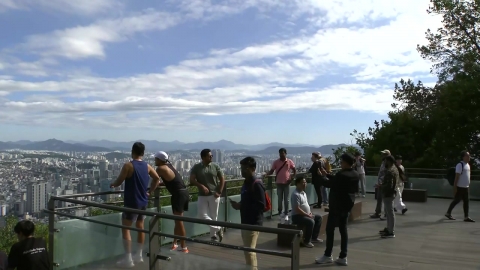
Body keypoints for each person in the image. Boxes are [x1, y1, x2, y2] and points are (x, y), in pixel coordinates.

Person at [110, 142, 160, 268]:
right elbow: (157, 178)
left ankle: (128, 258)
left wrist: (113, 184)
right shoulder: (147, 166)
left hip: (132, 202)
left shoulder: (128, 165)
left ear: (132, 151)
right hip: (143, 202)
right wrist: (150, 191)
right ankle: (139, 255)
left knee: (126, 229)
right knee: (140, 227)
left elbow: (119, 180)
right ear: (142, 153)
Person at [315, 153, 359, 266]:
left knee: (330, 230)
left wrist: (321, 176)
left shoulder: (341, 174)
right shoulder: (355, 174)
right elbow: (338, 182)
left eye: (341, 161)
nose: (340, 163)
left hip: (336, 206)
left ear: (345, 162)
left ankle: (328, 255)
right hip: (347, 205)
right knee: (343, 230)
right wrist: (328, 174)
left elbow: (329, 184)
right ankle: (343, 256)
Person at [230, 157, 266, 270]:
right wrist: (239, 205)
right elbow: (247, 200)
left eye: (245, 168)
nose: (242, 170)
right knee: (248, 251)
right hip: (245, 221)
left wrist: (242, 206)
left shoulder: (256, 184)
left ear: (253, 169)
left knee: (250, 251)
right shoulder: (246, 183)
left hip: (253, 222)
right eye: (241, 168)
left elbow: (261, 205)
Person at [153, 151, 190, 253]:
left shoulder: (160, 168)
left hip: (178, 195)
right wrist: (161, 184)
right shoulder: (169, 166)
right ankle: (175, 243)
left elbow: (154, 181)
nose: (154, 160)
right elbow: (171, 180)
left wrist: (150, 190)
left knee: (179, 222)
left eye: (156, 159)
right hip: (183, 192)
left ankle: (184, 247)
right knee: (177, 221)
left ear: (160, 160)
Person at [190, 149, 226, 242]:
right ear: (203, 157)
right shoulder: (197, 167)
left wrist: (220, 191)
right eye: (209, 156)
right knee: (201, 215)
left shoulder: (215, 166)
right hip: (202, 195)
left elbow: (222, 179)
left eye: (212, 156)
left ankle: (213, 236)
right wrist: (201, 186)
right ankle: (218, 228)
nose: (211, 157)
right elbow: (192, 180)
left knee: (214, 216)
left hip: (214, 195)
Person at [265, 148, 296, 224]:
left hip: (287, 183)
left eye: (283, 153)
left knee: (286, 199)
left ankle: (286, 213)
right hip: (279, 183)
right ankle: (280, 212)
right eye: (280, 153)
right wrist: (266, 174)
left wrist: (291, 178)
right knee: (279, 199)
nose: (281, 155)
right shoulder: (276, 162)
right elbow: (272, 171)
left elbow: (294, 170)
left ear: (285, 153)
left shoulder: (289, 161)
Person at [291, 176, 323, 248]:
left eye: (305, 182)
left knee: (318, 218)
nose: (304, 184)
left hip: (305, 215)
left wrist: (310, 213)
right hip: (297, 216)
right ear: (297, 184)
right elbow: (297, 209)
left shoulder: (303, 193)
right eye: (302, 182)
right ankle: (306, 241)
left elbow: (306, 205)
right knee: (310, 221)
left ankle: (314, 238)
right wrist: (307, 215)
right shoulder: (295, 194)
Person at [445, 151, 475, 222]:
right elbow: (457, 177)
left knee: (466, 201)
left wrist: (468, 185)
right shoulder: (460, 165)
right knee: (457, 200)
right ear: (463, 157)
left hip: (466, 187)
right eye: (467, 156)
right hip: (460, 187)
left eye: (469, 156)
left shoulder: (468, 165)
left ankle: (466, 217)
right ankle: (448, 213)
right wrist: (455, 187)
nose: (469, 157)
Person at [378, 155, 403, 238]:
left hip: (388, 194)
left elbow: (389, 185)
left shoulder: (390, 171)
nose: (384, 162)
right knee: (389, 212)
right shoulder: (394, 169)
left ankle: (391, 231)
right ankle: (389, 228)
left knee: (390, 212)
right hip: (391, 193)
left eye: (385, 161)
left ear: (388, 161)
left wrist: (380, 186)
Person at [370, 149, 391, 219]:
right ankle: (377, 212)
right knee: (379, 198)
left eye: (384, 154)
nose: (382, 155)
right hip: (380, 183)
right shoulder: (383, 162)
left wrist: (382, 182)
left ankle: (386, 214)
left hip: (384, 183)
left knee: (385, 199)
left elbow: (387, 174)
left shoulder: (388, 164)